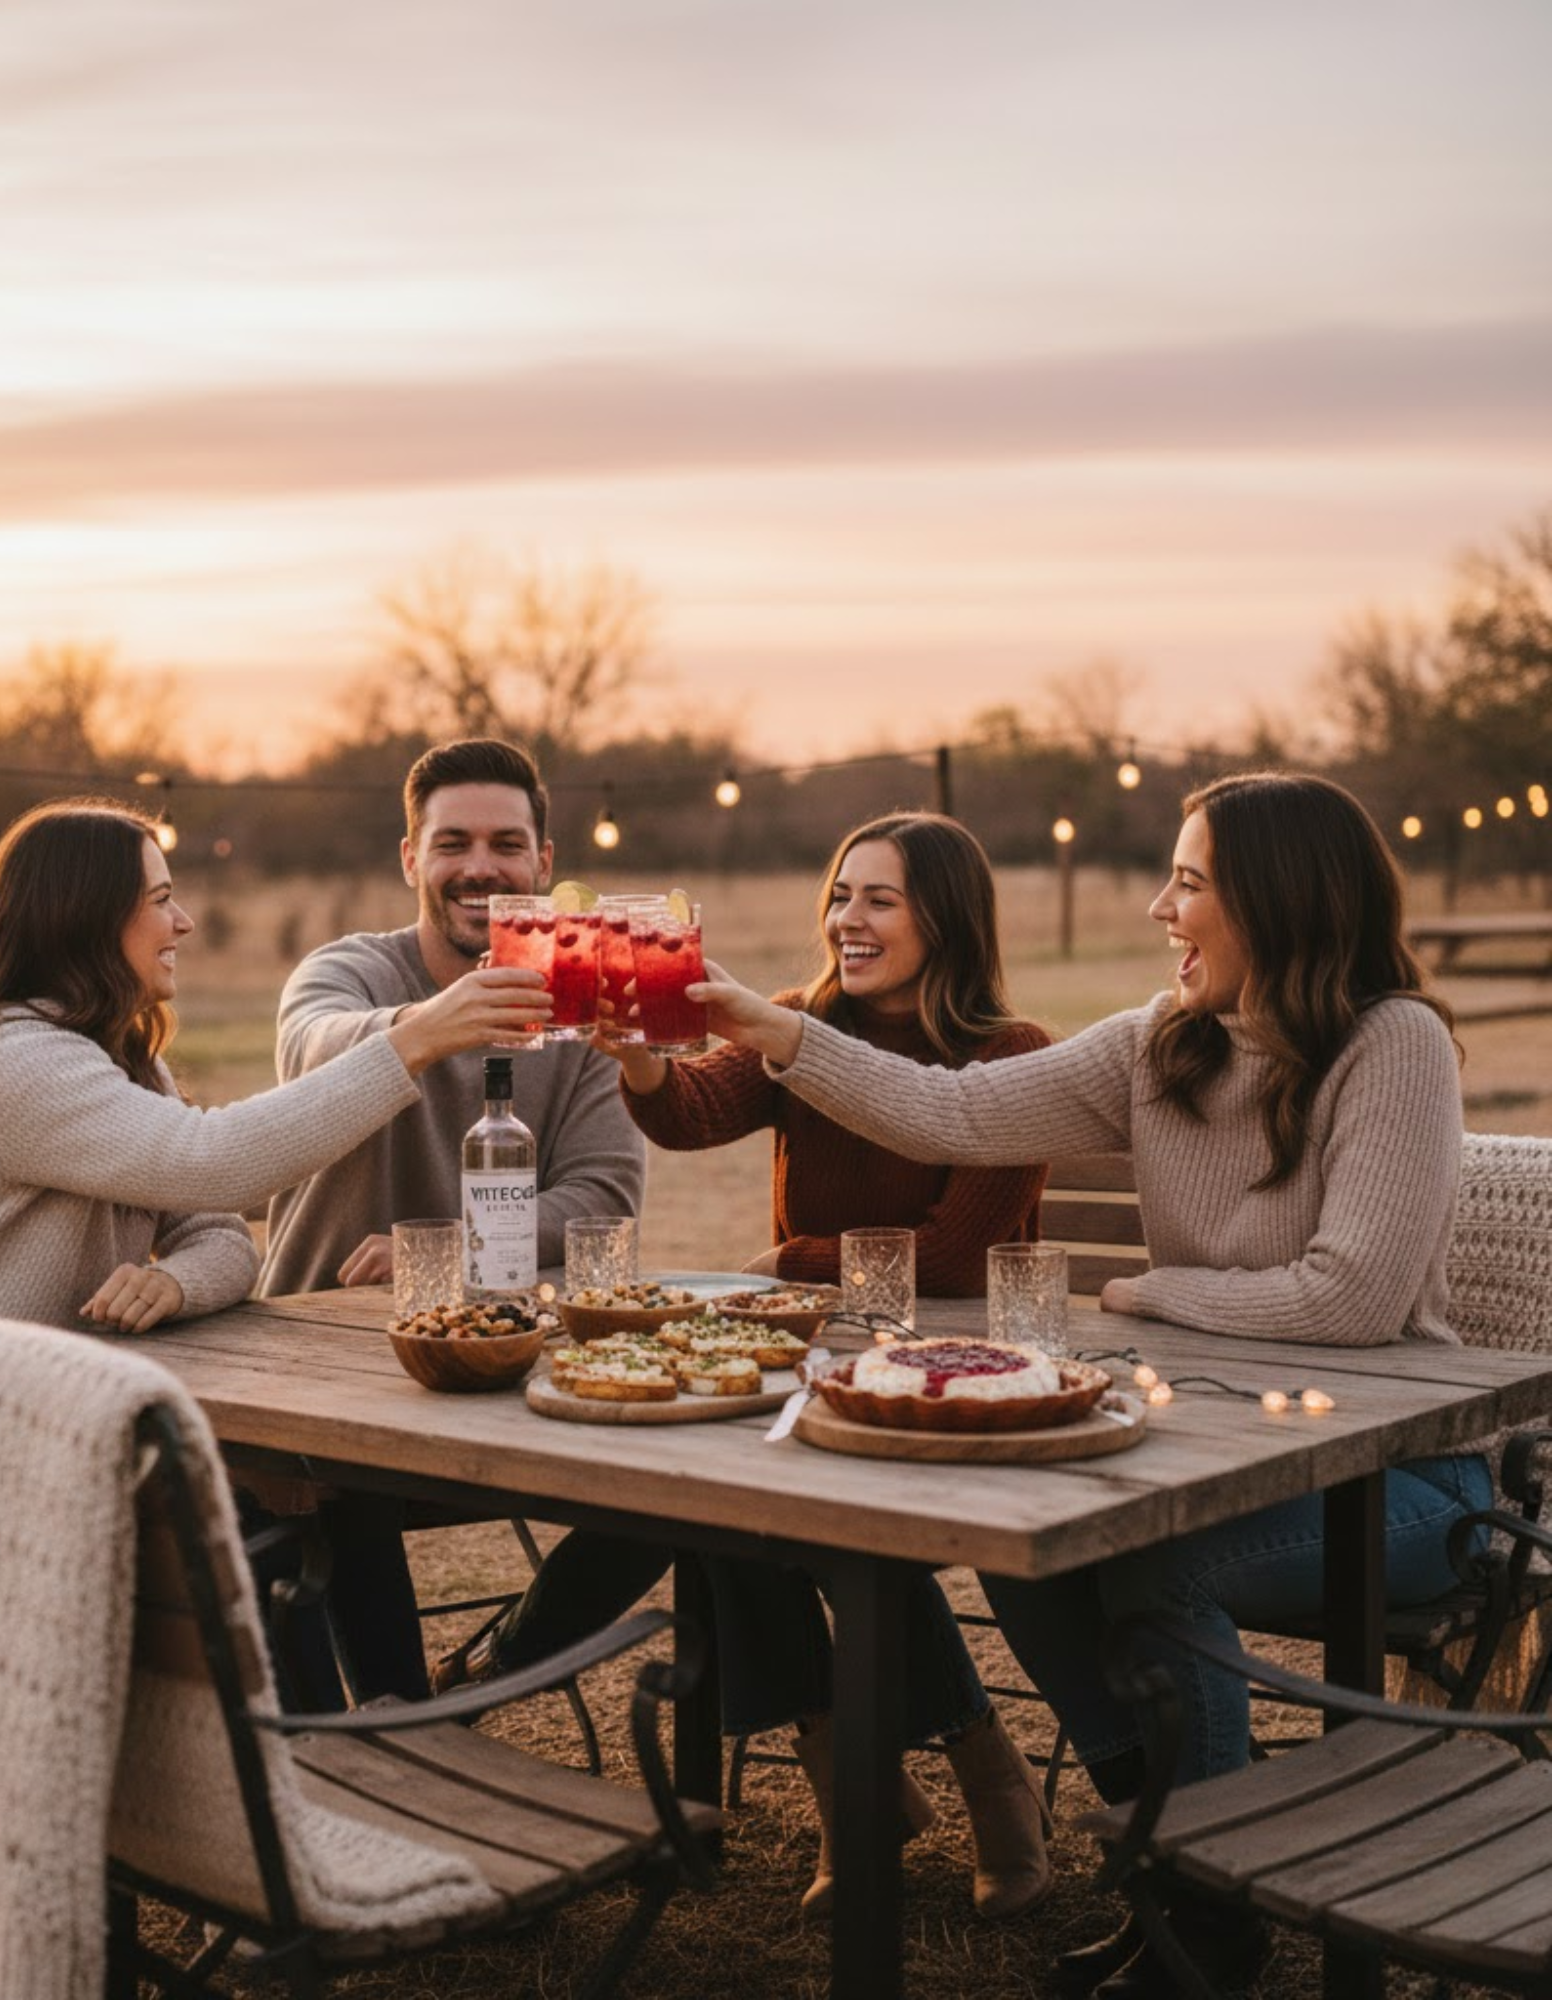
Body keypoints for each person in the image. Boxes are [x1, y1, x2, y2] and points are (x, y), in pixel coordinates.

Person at [693, 772, 1485, 1998]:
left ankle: (1205, 1911)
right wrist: (770, 1026)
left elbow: (1349, 1298)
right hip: (1223, 1447)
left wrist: (1151, 1291)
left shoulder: (1390, 1043)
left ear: (1274, 899)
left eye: (1188, 881)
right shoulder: (1160, 1041)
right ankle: (1170, 1864)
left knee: (1159, 1567)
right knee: (1037, 1540)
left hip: (1400, 1480)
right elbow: (947, 1112)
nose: (1161, 907)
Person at [436, 811, 1057, 1921]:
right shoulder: (803, 1023)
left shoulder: (1007, 1056)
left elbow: (956, 1256)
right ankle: (859, 1784)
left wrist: (786, 1260)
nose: (847, 919)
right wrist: (637, 1054)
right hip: (812, 1364)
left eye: (879, 899)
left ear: (948, 919)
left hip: (951, 1376)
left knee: (773, 1507)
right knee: (728, 1498)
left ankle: (969, 1777)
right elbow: (692, 1113)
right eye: (840, 895)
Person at [0, 797, 551, 1612]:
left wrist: (175, 1282)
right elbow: (218, 1165)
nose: (185, 922)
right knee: (239, 1564)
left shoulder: (120, 1057)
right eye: (161, 899)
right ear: (89, 917)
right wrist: (413, 1040)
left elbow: (222, 1237)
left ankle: (380, 1701)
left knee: (280, 1542)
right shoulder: (13, 1060)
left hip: (49, 1431)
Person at [257, 738, 646, 1698]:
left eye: (507, 845)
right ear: (411, 859)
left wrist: (444, 1259)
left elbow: (603, 1197)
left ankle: (483, 1676)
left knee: (677, 1490)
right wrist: (438, 1023)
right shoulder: (347, 972)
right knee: (335, 1490)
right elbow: (311, 1050)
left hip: (504, 1371)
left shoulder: (583, 1005)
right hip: (321, 1370)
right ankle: (390, 1725)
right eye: (453, 843)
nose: (482, 867)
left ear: (543, 862)